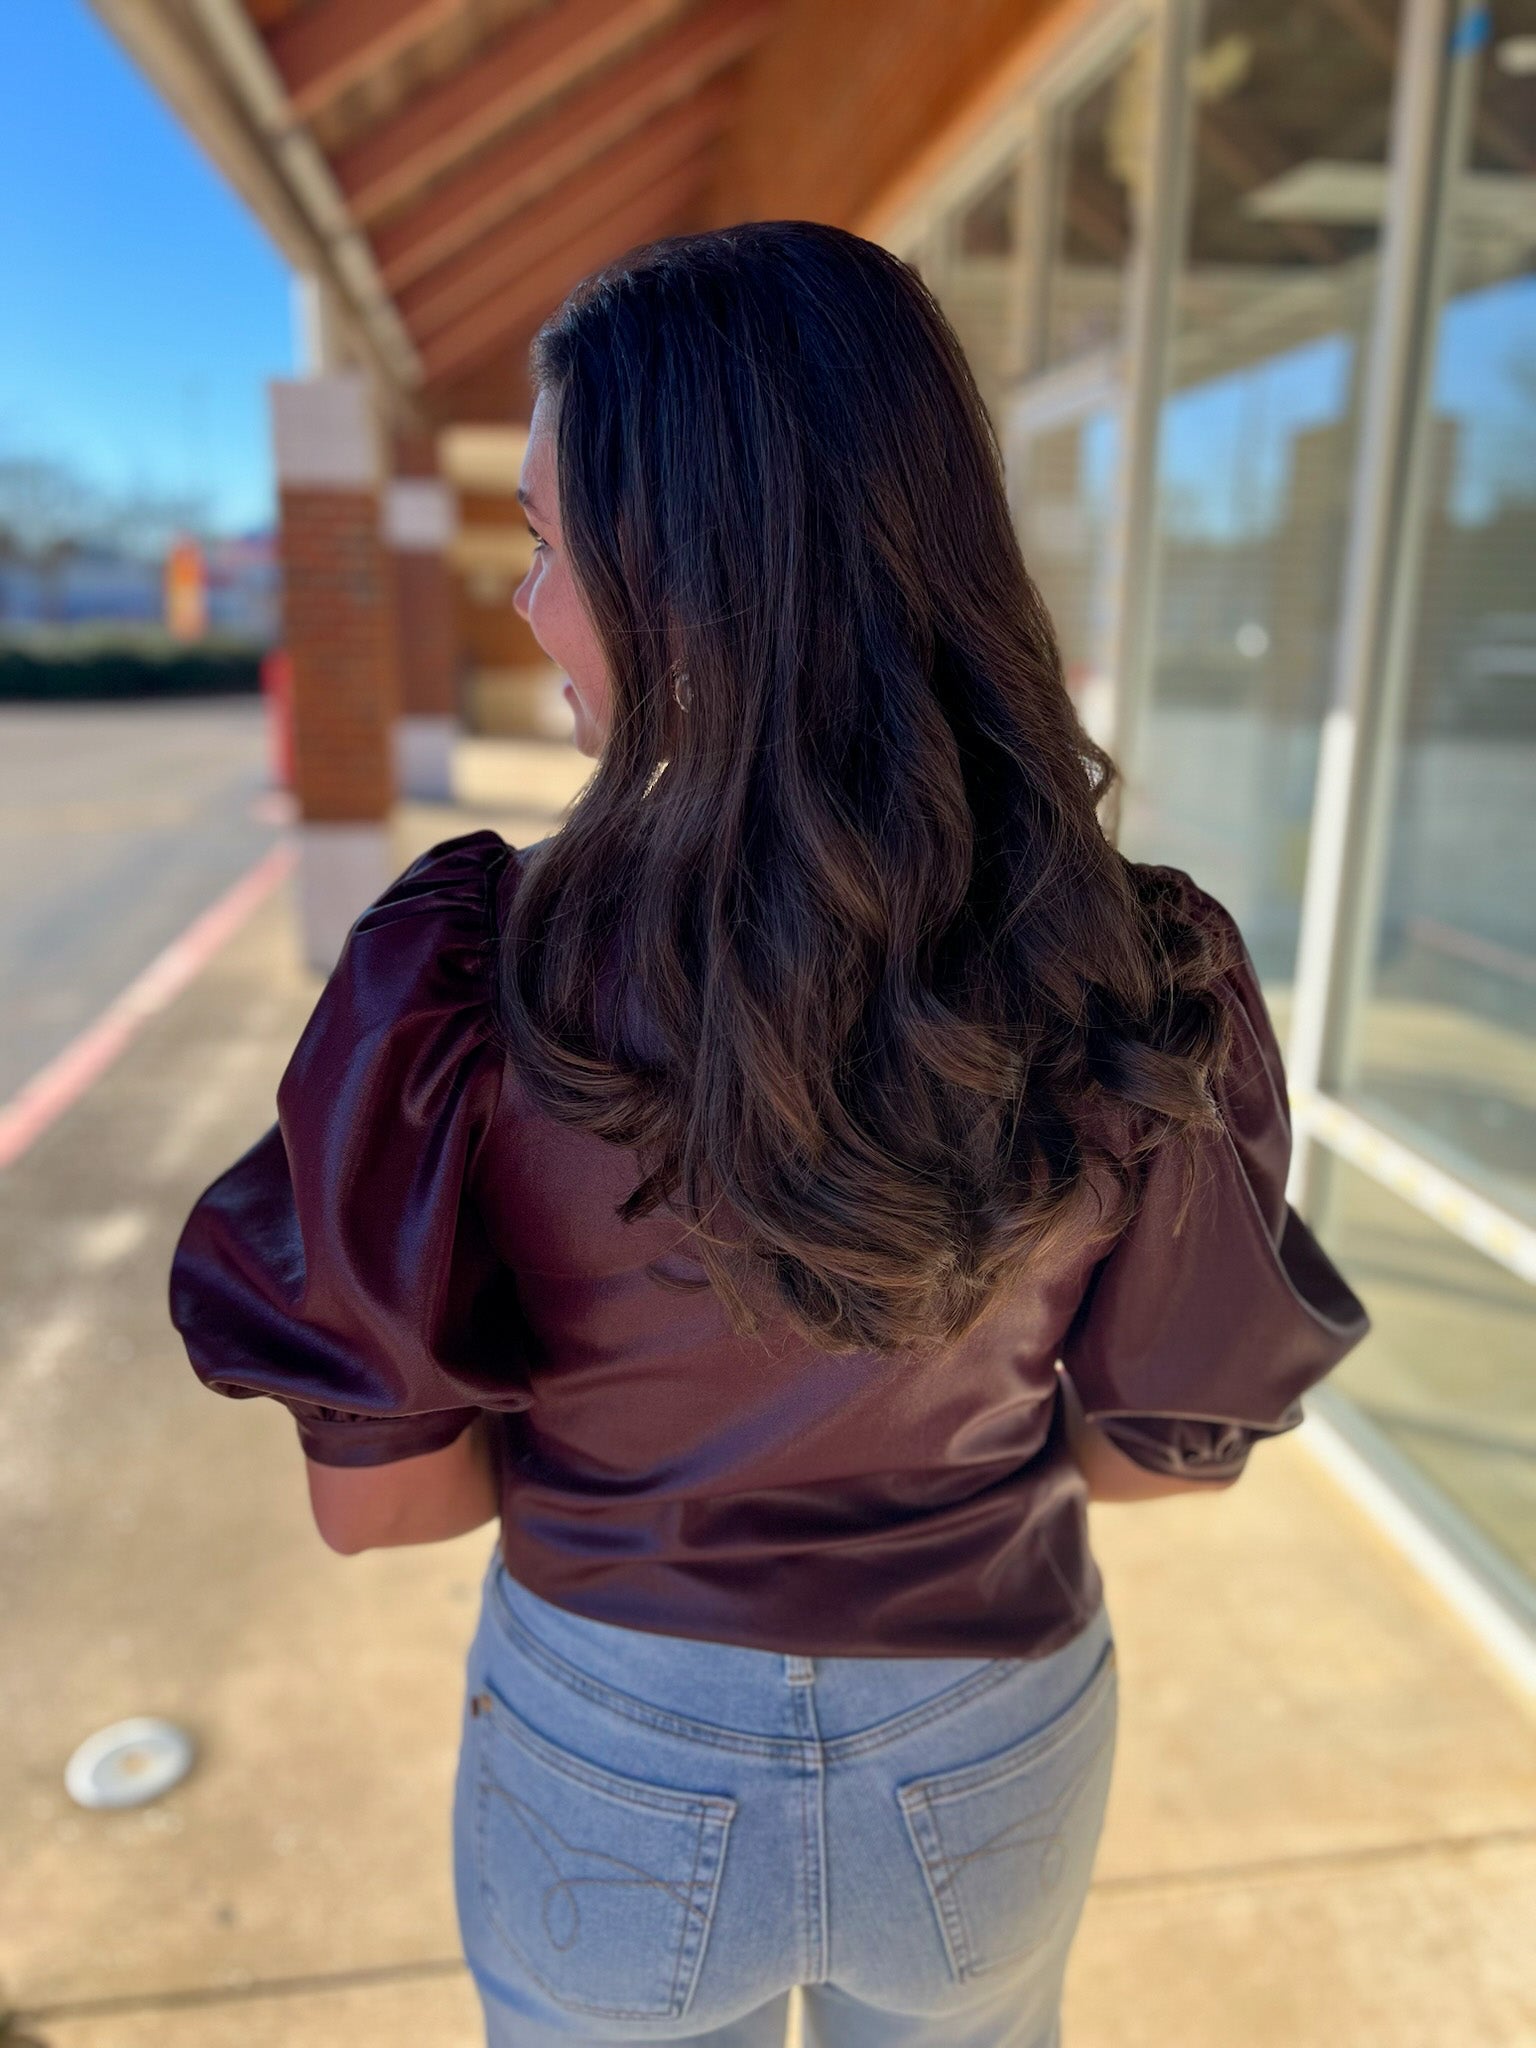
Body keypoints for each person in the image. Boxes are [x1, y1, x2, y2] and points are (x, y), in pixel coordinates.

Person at [168, 221, 1370, 2048]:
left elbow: (385, 1506)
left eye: (548, 548)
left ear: (683, 582)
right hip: (991, 1741)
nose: (525, 605)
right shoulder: (1134, 960)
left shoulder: (468, 976)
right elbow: (1162, 1460)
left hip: (612, 1745)